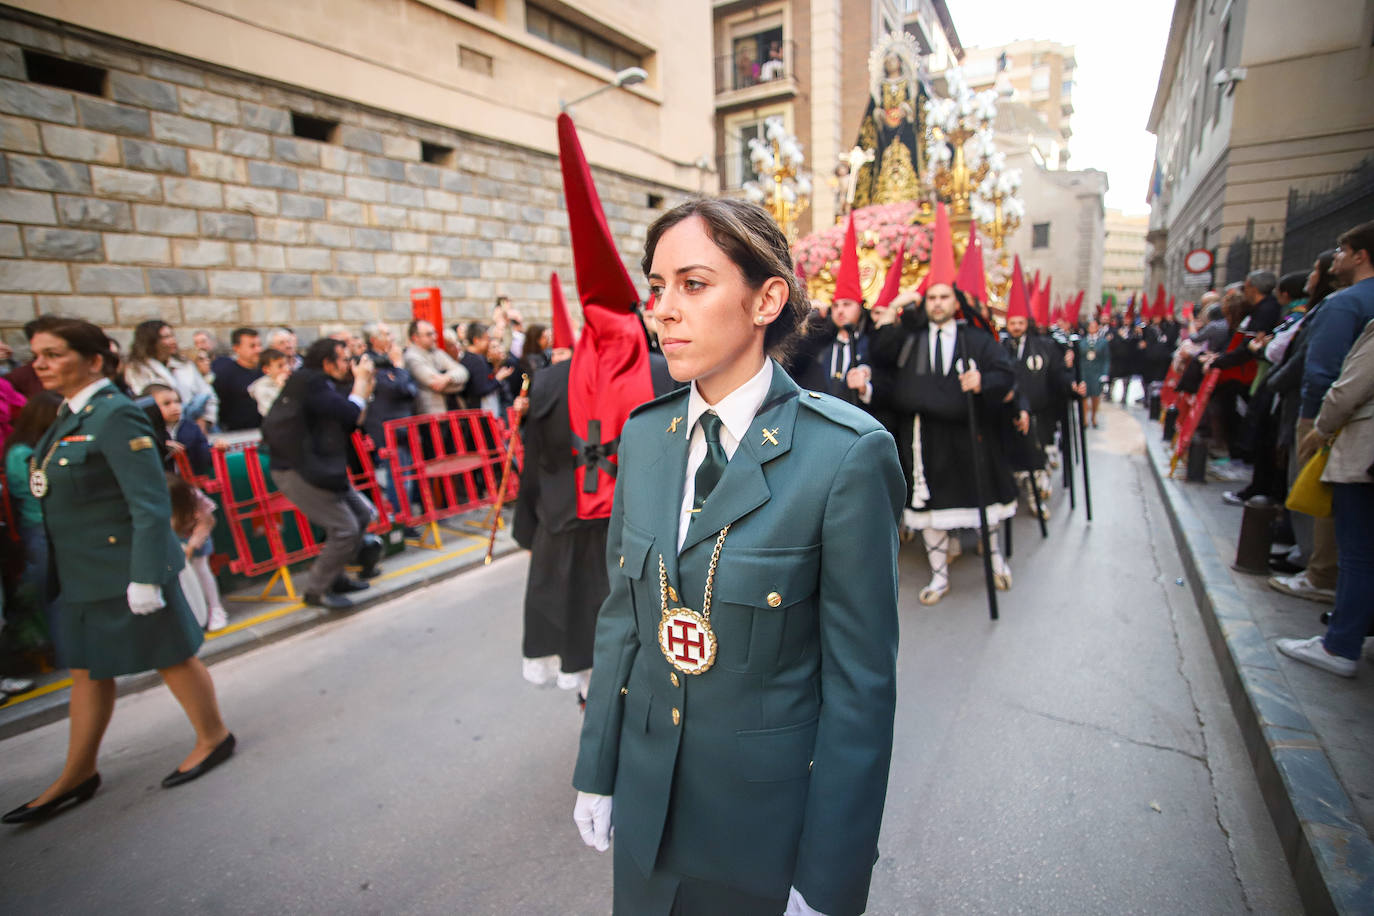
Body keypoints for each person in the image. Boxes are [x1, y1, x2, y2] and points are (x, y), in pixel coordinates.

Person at [572, 198, 904, 916]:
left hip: (763, 833)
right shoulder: (644, 437)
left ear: (767, 299)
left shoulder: (843, 456)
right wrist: (596, 770)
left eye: (693, 284)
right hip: (647, 814)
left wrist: (829, 879)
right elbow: (621, 624)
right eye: (656, 287)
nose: (663, 310)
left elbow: (860, 689)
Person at [3, 319, 235, 825]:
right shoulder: (71, 413)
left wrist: (148, 575)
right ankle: (78, 771)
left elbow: (149, 504)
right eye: (36, 354)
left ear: (93, 361)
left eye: (53, 353)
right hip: (83, 571)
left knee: (171, 655)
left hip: (123, 569)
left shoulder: (114, 416)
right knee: (88, 669)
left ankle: (213, 736)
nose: (38, 363)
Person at [870, 281, 1019, 604]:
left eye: (944, 297)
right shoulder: (909, 337)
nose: (937, 304)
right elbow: (879, 351)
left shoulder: (976, 340)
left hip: (970, 435)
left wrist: (983, 381)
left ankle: (996, 561)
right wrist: (897, 302)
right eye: (931, 298)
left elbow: (1005, 374)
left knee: (984, 505)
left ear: (956, 302)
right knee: (931, 510)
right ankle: (939, 577)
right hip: (924, 438)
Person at [1276, 317, 1374, 677]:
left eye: (1342, 253)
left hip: (1366, 455)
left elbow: (1348, 390)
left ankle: (1341, 645)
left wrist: (1320, 428)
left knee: (1359, 554)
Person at [265, 337, 376, 610]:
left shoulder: (317, 384)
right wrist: (361, 381)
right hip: (299, 470)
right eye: (344, 359)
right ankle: (317, 589)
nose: (349, 365)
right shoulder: (310, 383)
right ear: (327, 362)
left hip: (321, 468)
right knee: (344, 528)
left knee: (362, 515)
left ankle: (336, 577)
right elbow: (350, 414)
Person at [4, 391, 63, 655]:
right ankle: (62, 652)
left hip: (56, 525)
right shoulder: (22, 453)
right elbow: (38, 489)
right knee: (50, 595)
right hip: (38, 528)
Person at [360, 321, 419, 524]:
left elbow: (411, 390)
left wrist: (400, 374)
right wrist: (399, 367)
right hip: (386, 428)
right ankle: (403, 521)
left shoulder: (389, 362)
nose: (392, 338)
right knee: (398, 478)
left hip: (403, 425)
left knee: (408, 475)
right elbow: (396, 388)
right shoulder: (370, 362)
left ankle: (408, 516)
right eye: (386, 334)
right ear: (374, 339)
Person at [123, 320, 220, 432]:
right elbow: (150, 404)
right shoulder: (137, 369)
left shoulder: (185, 364)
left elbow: (207, 393)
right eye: (166, 337)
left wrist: (206, 420)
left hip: (200, 427)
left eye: (172, 336)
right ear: (151, 341)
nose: (173, 341)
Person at [166, 471, 228, 632]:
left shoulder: (193, 497)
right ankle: (193, 615)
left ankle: (216, 609)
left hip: (196, 535)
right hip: (174, 539)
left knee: (201, 568)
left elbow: (207, 522)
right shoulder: (156, 499)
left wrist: (192, 546)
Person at [403, 319, 468, 416]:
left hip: (452, 411)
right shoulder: (411, 357)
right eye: (429, 334)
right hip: (431, 415)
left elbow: (463, 372)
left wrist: (447, 378)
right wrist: (455, 381)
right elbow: (434, 383)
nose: (434, 337)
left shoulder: (437, 352)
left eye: (434, 333)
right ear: (415, 337)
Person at [146, 384, 213, 477]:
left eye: (177, 402)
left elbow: (204, 456)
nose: (174, 407)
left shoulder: (191, 428)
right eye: (166, 403)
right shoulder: (146, 431)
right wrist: (162, 447)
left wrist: (216, 448)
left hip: (188, 483)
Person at [211, 327, 264, 430]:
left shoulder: (266, 371)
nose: (258, 350)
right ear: (237, 348)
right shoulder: (225, 375)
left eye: (259, 345)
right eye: (252, 346)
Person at [457, 322, 514, 413]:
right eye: (486, 339)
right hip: (481, 413)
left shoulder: (470, 358)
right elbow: (481, 388)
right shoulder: (476, 361)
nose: (488, 342)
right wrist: (498, 379)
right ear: (476, 340)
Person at [1079, 315, 1111, 427]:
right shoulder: (1082, 342)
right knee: (1084, 396)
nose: (1092, 328)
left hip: (1097, 373)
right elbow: (1079, 359)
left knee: (1095, 396)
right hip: (1085, 372)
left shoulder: (1103, 342)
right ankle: (1084, 419)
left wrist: (1105, 374)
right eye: (1090, 326)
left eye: (1095, 326)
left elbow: (1106, 359)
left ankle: (1093, 416)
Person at [248, 348, 291, 418]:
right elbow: (272, 412)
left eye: (287, 364)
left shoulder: (291, 380)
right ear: (266, 369)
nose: (286, 369)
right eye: (280, 366)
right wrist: (281, 388)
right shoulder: (261, 388)